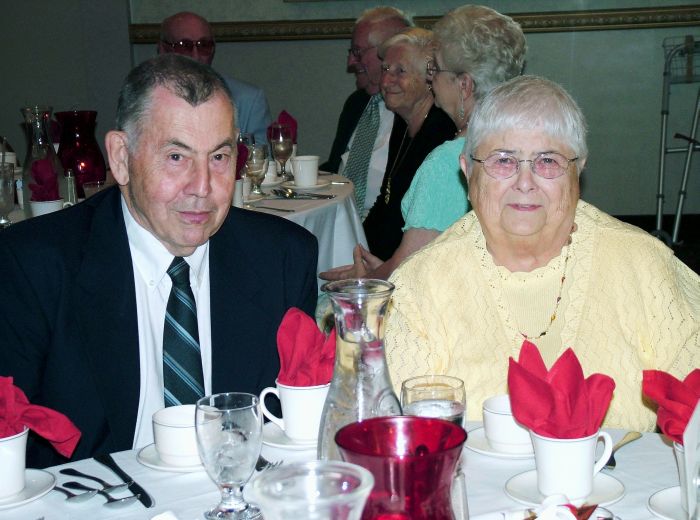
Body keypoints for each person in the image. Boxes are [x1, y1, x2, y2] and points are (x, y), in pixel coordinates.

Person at [0, 54, 318, 468]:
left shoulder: (282, 258)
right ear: (120, 158)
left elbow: (293, 433)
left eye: (219, 157)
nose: (202, 187)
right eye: (176, 157)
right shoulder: (33, 267)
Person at [385, 75, 700, 432]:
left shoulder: (642, 264)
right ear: (468, 170)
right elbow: (401, 431)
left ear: (578, 169)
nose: (525, 182)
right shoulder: (420, 285)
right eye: (503, 160)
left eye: (547, 161)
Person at [322, 5, 526, 280]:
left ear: (464, 85)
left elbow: (410, 271)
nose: (431, 77)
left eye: (436, 68)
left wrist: (363, 279)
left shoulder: (450, 161)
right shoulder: (521, 144)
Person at [359, 27, 456, 261]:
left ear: (429, 79)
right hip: (388, 257)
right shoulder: (403, 122)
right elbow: (386, 201)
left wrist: (378, 268)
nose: (386, 81)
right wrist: (357, 248)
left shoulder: (441, 132)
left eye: (400, 71)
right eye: (385, 69)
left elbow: (422, 232)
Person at [320, 7, 413, 217]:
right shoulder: (357, 103)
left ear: (391, 53)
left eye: (358, 52)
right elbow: (335, 167)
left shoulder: (414, 112)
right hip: (339, 218)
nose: (351, 62)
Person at [158, 11, 272, 145]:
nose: (195, 55)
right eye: (184, 46)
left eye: (204, 45)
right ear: (163, 49)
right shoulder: (145, 98)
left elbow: (260, 155)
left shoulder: (248, 100)